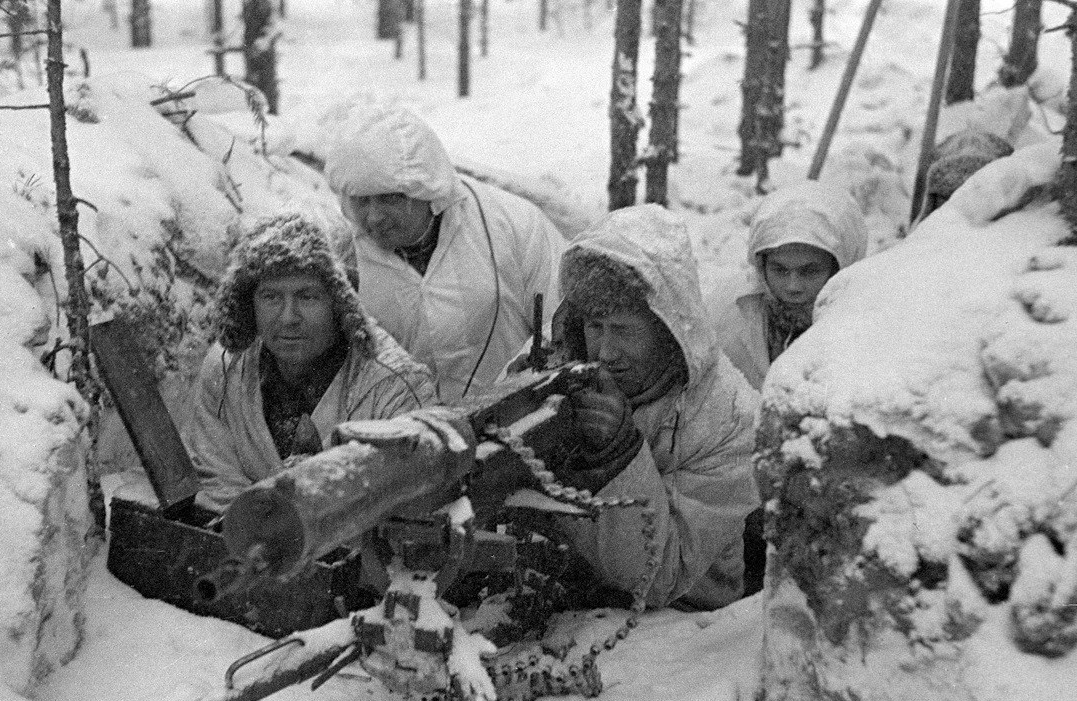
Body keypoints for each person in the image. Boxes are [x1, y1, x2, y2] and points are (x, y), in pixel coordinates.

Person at [544, 204, 761, 610]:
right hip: (563, 603)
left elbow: (663, 577)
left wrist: (620, 455)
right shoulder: (555, 367)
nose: (606, 352)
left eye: (624, 331)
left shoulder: (728, 418)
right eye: (595, 327)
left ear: (667, 329)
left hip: (684, 625)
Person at [182, 213, 436, 512]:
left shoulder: (392, 388)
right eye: (271, 297)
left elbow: (409, 506)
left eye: (308, 296)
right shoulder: (226, 368)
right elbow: (214, 482)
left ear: (341, 303)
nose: (288, 318)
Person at [322, 105, 567, 402]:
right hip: (402, 435)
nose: (374, 218)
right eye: (361, 201)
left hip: (515, 417)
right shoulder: (342, 254)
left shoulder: (513, 224)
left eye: (389, 199)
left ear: (426, 191)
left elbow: (564, 319)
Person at [706, 181, 868, 391]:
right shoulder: (728, 311)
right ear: (761, 266)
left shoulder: (866, 325)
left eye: (810, 271)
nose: (793, 287)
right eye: (779, 270)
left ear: (840, 268)